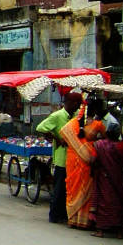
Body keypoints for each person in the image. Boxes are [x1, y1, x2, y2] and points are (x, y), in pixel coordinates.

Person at [36, 91, 83, 224]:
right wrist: (57, 138)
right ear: (72, 103)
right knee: (59, 187)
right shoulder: (57, 116)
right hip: (62, 158)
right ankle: (54, 214)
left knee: (69, 188)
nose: (78, 107)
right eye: (77, 104)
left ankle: (64, 213)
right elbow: (41, 128)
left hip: (74, 158)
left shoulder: (76, 116)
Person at [61, 97, 107, 229]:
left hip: (72, 161)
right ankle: (84, 221)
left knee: (72, 189)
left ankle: (72, 219)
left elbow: (64, 138)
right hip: (88, 161)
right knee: (86, 191)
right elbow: (106, 140)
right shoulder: (98, 125)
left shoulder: (73, 123)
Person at [91, 122, 123, 239]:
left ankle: (100, 230)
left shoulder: (98, 144)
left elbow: (93, 160)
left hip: (104, 178)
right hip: (119, 179)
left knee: (103, 202)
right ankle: (119, 231)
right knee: (118, 203)